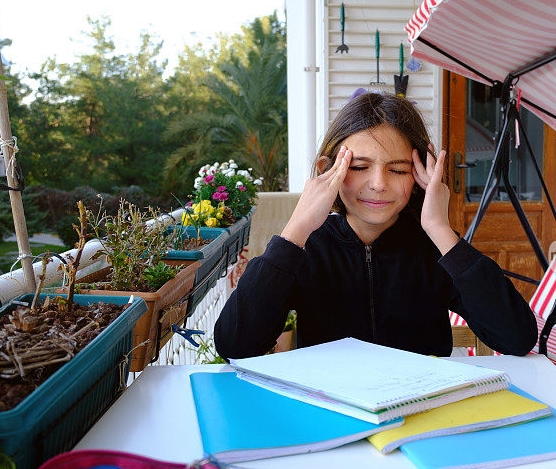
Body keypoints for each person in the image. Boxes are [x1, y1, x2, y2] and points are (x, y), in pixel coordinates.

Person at [214, 92, 536, 359]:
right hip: (337, 422)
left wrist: (441, 230)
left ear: (421, 173)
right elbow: (235, 345)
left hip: (423, 419)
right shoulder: (307, 249)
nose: (379, 184)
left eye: (397, 170)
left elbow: (518, 337)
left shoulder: (433, 251)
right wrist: (295, 231)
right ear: (330, 170)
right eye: (359, 166)